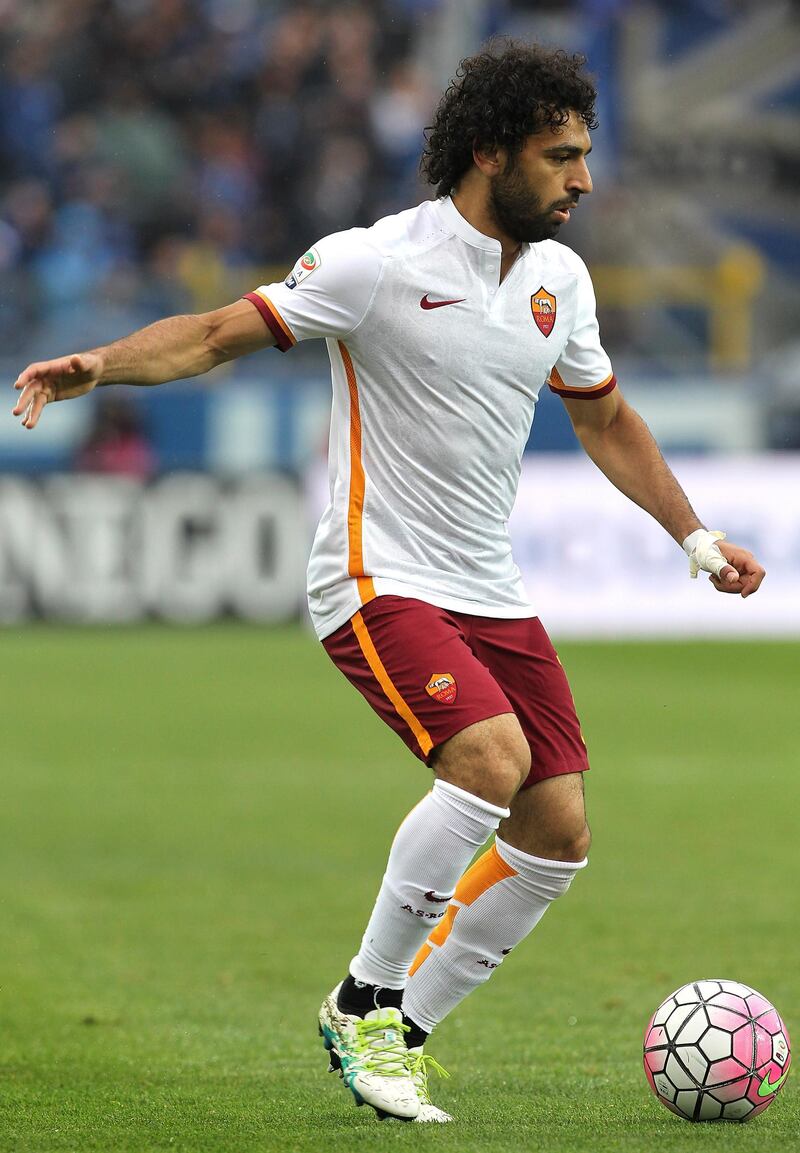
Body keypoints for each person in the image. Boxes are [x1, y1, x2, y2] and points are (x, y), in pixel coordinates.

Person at [12, 40, 765, 1125]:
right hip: (376, 577)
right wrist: (100, 363)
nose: (582, 180)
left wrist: (692, 537)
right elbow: (220, 332)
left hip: (488, 587)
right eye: (559, 157)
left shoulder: (559, 278)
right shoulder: (375, 262)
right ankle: (361, 1001)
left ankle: (398, 1031)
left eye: (584, 156)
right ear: (488, 151)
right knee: (489, 757)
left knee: (555, 831)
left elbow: (602, 418)